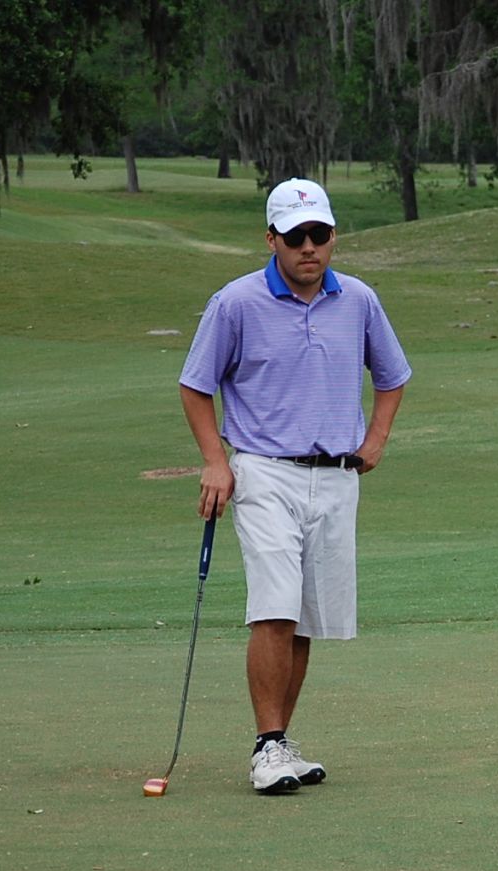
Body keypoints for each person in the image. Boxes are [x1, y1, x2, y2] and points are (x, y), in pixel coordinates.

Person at [178, 178, 412, 794]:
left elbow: (392, 376)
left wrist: (376, 442)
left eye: (320, 235)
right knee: (275, 607)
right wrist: (215, 461)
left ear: (333, 236)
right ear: (272, 239)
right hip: (262, 470)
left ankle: (279, 741)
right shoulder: (236, 302)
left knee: (306, 617)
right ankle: (266, 746)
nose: (309, 247)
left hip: (336, 477)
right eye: (295, 236)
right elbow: (195, 385)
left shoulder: (359, 299)